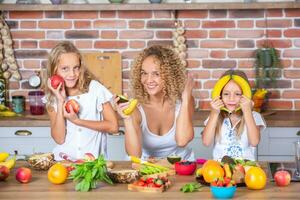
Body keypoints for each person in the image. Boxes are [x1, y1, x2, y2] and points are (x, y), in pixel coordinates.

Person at [115, 45, 195, 161]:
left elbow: (182, 141)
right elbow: (134, 155)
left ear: (169, 76)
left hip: (181, 166)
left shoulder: (184, 101)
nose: (148, 80)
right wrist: (127, 119)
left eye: (156, 74)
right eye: (144, 73)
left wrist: (186, 96)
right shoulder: (136, 108)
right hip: (147, 167)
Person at [43, 41, 118, 161]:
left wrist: (77, 121)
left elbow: (113, 127)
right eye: (65, 69)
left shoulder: (94, 89)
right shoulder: (52, 98)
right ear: (54, 71)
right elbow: (59, 139)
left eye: (76, 68)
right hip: (64, 163)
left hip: (92, 164)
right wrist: (60, 100)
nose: (72, 74)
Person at [202, 70, 266, 161]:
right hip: (220, 170)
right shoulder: (216, 116)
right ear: (220, 95)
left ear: (245, 95)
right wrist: (214, 113)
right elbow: (206, 142)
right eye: (226, 94)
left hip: (245, 169)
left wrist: (247, 111)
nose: (231, 98)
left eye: (237, 94)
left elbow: (254, 142)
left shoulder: (254, 116)